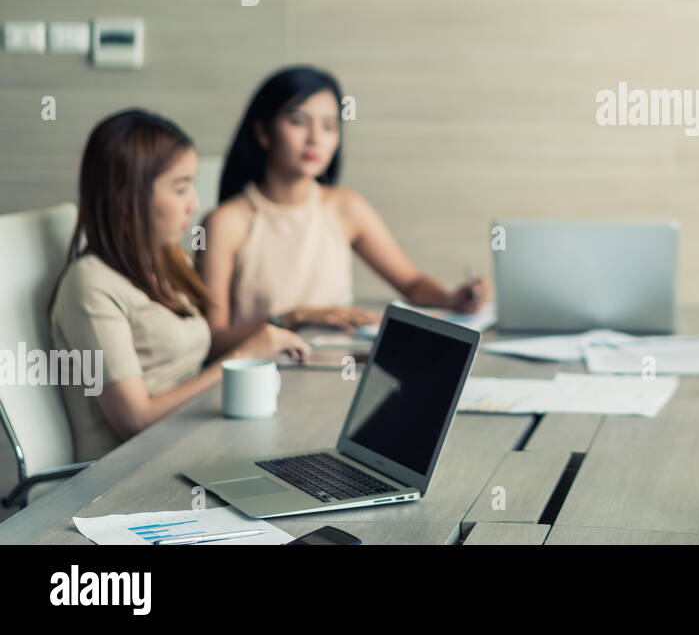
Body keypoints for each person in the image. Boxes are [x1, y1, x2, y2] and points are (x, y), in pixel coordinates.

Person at [49, 109, 309, 462]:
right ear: (127, 196)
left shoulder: (171, 262)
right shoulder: (90, 285)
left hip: (187, 445)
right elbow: (135, 421)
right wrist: (242, 357)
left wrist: (275, 330)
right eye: (180, 187)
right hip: (124, 475)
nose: (194, 204)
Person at [197, 66, 490, 357]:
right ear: (263, 132)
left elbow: (411, 284)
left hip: (335, 371)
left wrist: (453, 299)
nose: (315, 138)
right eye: (299, 121)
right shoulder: (225, 223)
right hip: (262, 381)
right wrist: (297, 317)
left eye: (328, 126)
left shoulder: (346, 207)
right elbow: (213, 340)